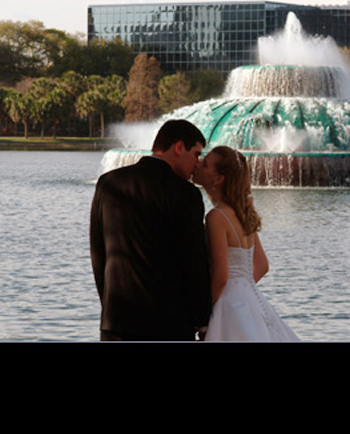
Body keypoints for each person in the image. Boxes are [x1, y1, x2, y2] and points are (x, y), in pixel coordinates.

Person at [90, 119, 211, 341]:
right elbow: (194, 262)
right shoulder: (185, 194)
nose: (197, 162)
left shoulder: (108, 183)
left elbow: (98, 254)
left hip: (115, 322)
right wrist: (202, 321)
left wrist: (109, 306)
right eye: (196, 154)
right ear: (179, 147)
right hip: (168, 324)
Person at [192, 146, 299, 341]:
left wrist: (203, 315)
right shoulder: (242, 213)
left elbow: (221, 276)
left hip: (227, 305)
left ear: (218, 179)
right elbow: (262, 265)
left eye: (205, 164)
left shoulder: (216, 216)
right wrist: (242, 289)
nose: (197, 164)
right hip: (250, 300)